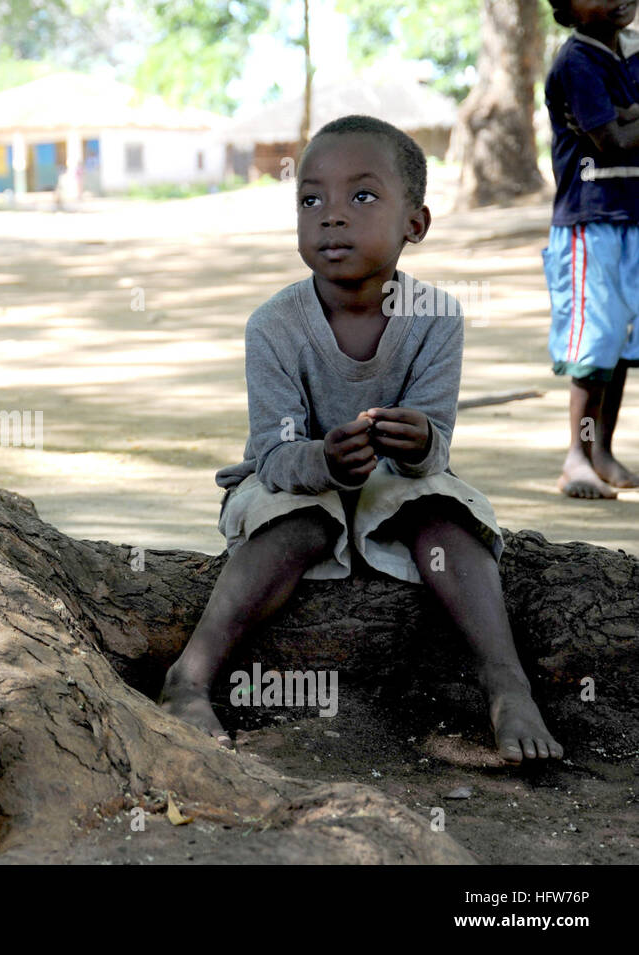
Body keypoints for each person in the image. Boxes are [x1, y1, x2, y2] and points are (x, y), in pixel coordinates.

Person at [159, 115, 564, 764]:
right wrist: (321, 457)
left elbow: (436, 452)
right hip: (292, 483)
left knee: (446, 513)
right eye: (311, 199)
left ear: (416, 224)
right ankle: (190, 677)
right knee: (297, 525)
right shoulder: (273, 325)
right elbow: (273, 452)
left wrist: (417, 438)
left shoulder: (435, 318)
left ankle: (504, 681)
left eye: (363, 197)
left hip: (393, 487)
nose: (332, 216)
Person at [543, 0, 639, 498]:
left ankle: (602, 449)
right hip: (591, 222)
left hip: (633, 219)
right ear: (568, 9)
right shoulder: (577, 62)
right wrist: (625, 119)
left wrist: (629, 116)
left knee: (622, 343)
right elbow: (614, 140)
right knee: (593, 345)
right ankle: (576, 457)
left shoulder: (631, 52)